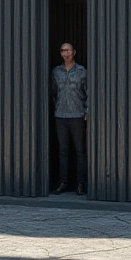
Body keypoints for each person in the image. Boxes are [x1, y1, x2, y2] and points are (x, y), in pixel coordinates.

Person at [51, 41, 87, 195]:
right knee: (63, 151)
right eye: (62, 50)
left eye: (68, 50)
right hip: (60, 116)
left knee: (80, 151)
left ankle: (81, 184)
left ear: (74, 52)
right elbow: (53, 92)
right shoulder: (56, 72)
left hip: (77, 115)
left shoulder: (82, 71)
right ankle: (63, 182)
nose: (65, 53)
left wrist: (87, 111)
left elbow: (88, 91)